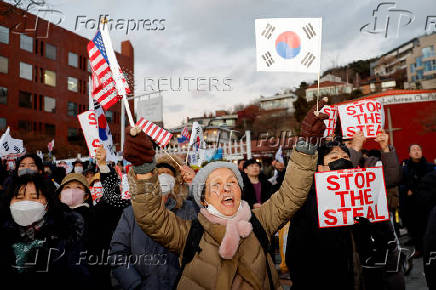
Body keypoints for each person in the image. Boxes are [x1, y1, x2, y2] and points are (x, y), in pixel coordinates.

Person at [123, 101, 324, 289]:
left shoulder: (261, 222)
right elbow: (151, 217)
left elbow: (291, 195)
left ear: (240, 191)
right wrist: (143, 170)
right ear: (203, 199)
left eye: (231, 182)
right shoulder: (188, 234)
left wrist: (306, 148)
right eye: (216, 185)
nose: (226, 188)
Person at [286, 138, 405, 290]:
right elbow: (296, 256)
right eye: (334, 157)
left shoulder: (365, 196)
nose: (342, 160)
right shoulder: (308, 203)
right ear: (321, 168)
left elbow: (386, 243)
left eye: (345, 157)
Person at [110, 154, 197, 290]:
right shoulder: (131, 213)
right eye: (159, 173)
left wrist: (197, 185)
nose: (163, 177)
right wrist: (135, 284)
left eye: (168, 173)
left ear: (175, 180)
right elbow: (118, 253)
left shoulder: (189, 209)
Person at [0, 173, 90, 289]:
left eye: (34, 197)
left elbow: (79, 275)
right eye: (19, 197)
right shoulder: (3, 235)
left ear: (47, 204)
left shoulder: (66, 234)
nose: (26, 202)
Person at [400, 144, 435, 257]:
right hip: (413, 204)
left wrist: (414, 187)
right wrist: (406, 190)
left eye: (418, 149)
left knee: (430, 227)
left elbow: (430, 182)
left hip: (429, 202)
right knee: (416, 228)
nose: (416, 152)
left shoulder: (430, 167)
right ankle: (419, 248)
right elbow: (401, 184)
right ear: (409, 153)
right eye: (413, 150)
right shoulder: (405, 169)